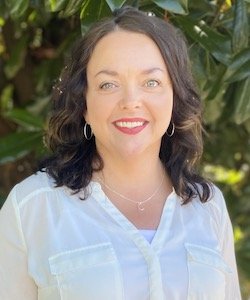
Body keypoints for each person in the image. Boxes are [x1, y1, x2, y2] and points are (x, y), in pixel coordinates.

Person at [0, 6, 241, 300]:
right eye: (108, 84)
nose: (131, 101)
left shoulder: (209, 207)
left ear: (175, 97)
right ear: (83, 104)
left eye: (151, 82)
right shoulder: (32, 208)